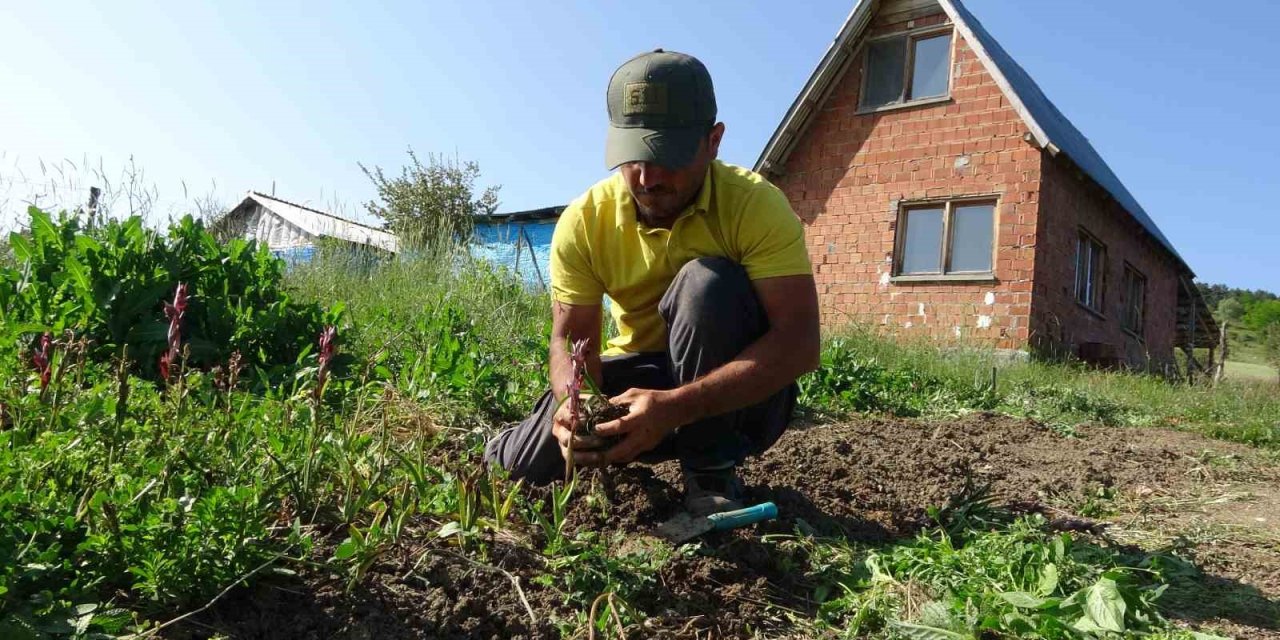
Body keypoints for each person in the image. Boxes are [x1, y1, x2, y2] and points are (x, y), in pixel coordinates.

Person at [484, 49, 820, 515]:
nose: (647, 177)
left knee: (706, 284)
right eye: (633, 157)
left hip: (736, 399)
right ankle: (513, 443)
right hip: (640, 379)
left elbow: (800, 343)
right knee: (519, 464)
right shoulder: (585, 221)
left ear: (713, 141)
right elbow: (571, 339)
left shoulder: (755, 206)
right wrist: (575, 403)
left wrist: (675, 407)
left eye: (668, 156)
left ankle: (709, 476)